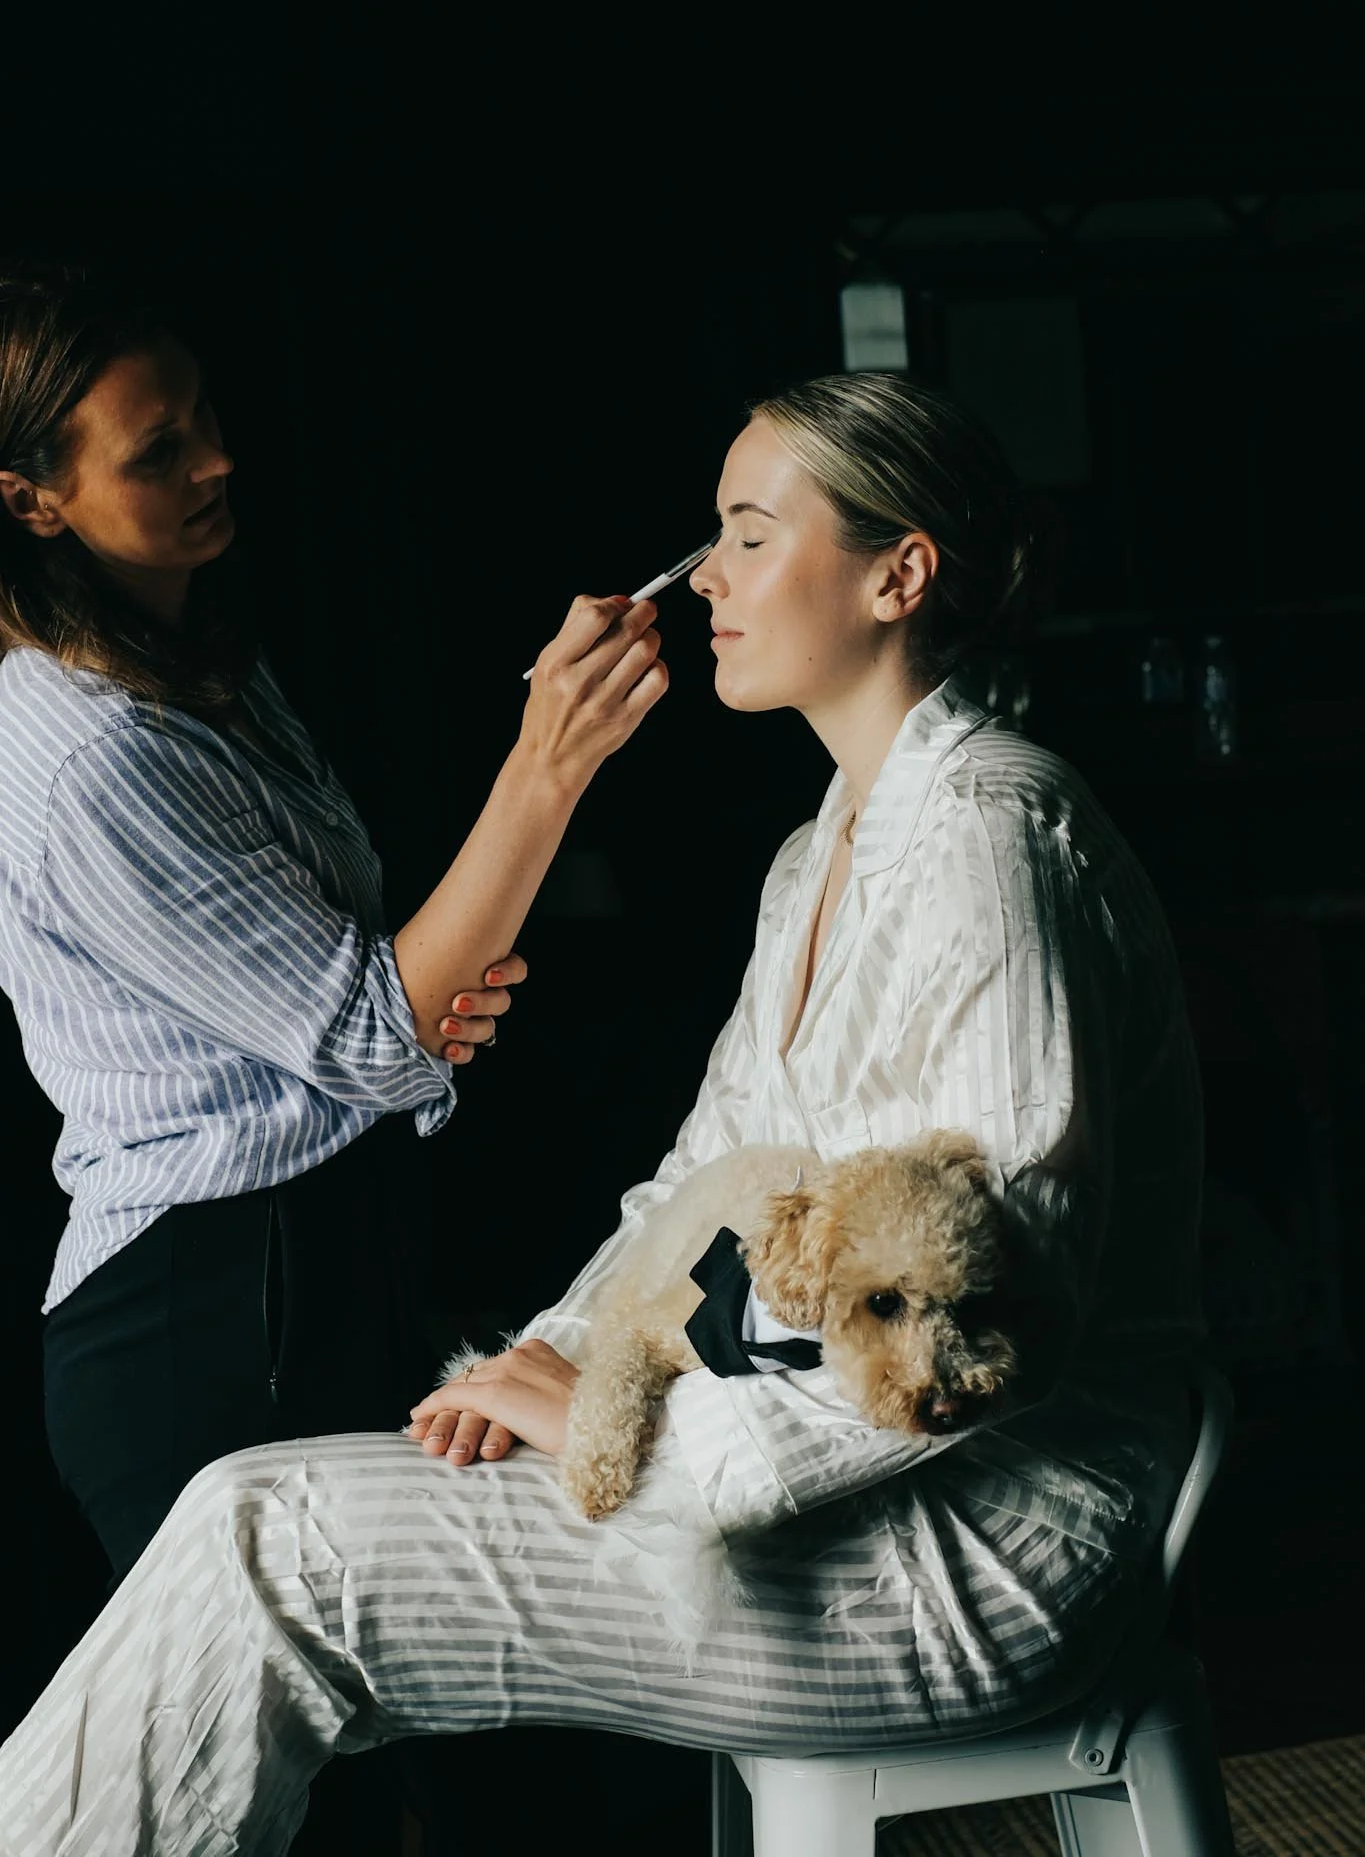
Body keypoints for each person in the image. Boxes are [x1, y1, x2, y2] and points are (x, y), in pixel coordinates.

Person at [0, 371, 1206, 1857]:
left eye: (752, 536)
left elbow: (969, 1323)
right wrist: (564, 1358)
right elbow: (700, 1188)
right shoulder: (821, 852)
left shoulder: (995, 847)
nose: (706, 574)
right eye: (714, 533)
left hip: (982, 1547)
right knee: (244, 1506)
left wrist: (653, 1430)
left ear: (900, 573)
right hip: (825, 1496)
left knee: (275, 1553)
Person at [0, 262, 669, 1587]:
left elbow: (379, 1004)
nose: (218, 460)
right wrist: (549, 766)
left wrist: (410, 1007)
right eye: (159, 451)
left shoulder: (200, 658)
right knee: (319, 1777)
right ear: (30, 499)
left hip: (316, 1264)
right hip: (204, 1318)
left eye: (204, 417)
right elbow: (378, 1030)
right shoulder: (87, 757)